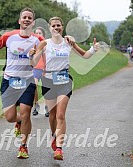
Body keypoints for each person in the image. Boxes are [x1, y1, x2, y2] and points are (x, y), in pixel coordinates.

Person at [0, 7, 44, 159]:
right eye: (24, 17)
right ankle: (17, 122)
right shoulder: (8, 37)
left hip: (27, 81)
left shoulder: (38, 41)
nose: (26, 19)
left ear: (33, 22)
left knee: (26, 113)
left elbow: (35, 63)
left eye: (29, 18)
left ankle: (23, 146)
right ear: (19, 21)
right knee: (9, 116)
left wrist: (33, 55)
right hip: (9, 80)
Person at [29, 16, 99, 160]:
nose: (56, 28)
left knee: (61, 115)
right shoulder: (44, 44)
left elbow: (85, 55)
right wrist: (31, 56)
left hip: (64, 80)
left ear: (62, 26)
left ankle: (59, 148)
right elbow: (34, 63)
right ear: (49, 28)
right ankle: (54, 136)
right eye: (53, 26)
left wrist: (93, 49)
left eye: (58, 25)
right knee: (52, 116)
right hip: (48, 81)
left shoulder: (68, 42)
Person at [32, 27, 49, 117]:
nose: (38, 35)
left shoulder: (46, 44)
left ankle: (47, 107)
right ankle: (36, 105)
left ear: (43, 35)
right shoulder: (32, 44)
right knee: (34, 85)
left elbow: (47, 57)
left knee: (45, 88)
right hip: (35, 69)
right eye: (36, 33)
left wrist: (46, 68)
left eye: (40, 33)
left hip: (45, 68)